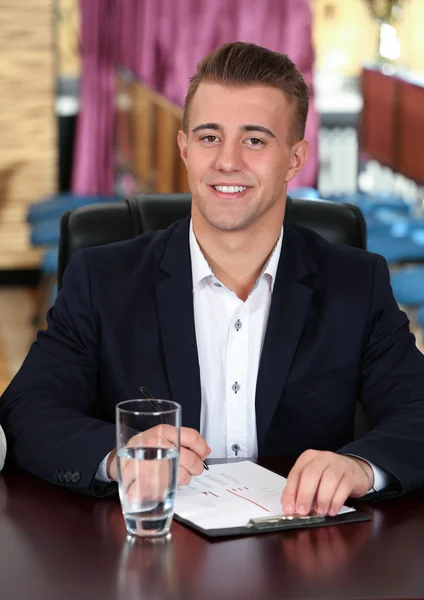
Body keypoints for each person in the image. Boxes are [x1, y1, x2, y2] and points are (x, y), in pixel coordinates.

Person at [1, 42, 424, 516]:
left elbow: (418, 410)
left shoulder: (355, 283)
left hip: (307, 556)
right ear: (185, 148)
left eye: (255, 140)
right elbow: (27, 411)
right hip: (149, 556)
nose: (227, 161)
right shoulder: (103, 280)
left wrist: (364, 467)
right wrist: (118, 457)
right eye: (209, 137)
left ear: (295, 159)